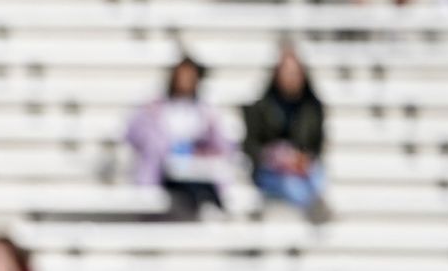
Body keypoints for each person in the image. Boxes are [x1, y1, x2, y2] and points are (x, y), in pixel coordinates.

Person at [125, 55, 233, 220]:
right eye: (182, 76)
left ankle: (212, 203)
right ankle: (208, 202)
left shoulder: (204, 111)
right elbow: (133, 133)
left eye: (190, 77)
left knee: (199, 182)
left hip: (193, 169)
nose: (185, 81)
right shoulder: (156, 107)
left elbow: (222, 147)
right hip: (164, 172)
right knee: (189, 184)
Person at [243, 45, 331, 223]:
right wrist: (276, 158)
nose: (290, 77)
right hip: (271, 172)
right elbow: (252, 145)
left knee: (316, 176)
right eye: (286, 72)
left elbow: (317, 147)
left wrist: (301, 160)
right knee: (291, 185)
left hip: (303, 169)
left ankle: (315, 210)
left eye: (294, 72)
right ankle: (313, 210)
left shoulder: (313, 108)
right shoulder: (261, 108)